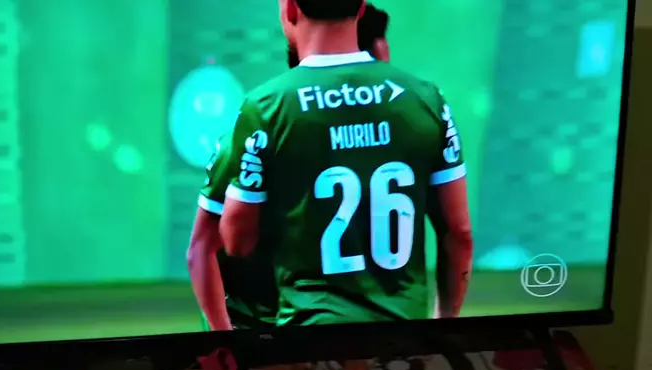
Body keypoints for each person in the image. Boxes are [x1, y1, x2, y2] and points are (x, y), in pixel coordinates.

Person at [215, 0, 473, 326]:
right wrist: (444, 320)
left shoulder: (266, 107)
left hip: (311, 336)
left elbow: (237, 242)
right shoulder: (427, 99)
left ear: (290, 8)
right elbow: (459, 232)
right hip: (404, 336)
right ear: (362, 8)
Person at [187, 3, 395, 331]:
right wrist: (224, 340)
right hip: (260, 330)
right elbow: (205, 246)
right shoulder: (256, 132)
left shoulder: (383, 142)